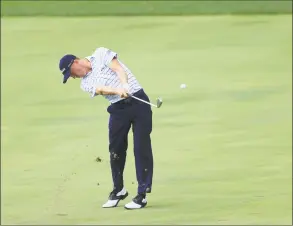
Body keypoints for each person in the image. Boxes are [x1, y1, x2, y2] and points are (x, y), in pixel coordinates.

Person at [58, 47, 154, 210]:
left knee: (141, 147)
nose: (73, 77)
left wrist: (125, 85)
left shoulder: (100, 54)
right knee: (116, 149)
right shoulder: (85, 84)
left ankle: (141, 195)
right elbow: (101, 89)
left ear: (75, 62)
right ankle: (118, 190)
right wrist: (118, 90)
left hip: (138, 101)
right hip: (118, 109)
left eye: (71, 73)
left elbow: (117, 67)